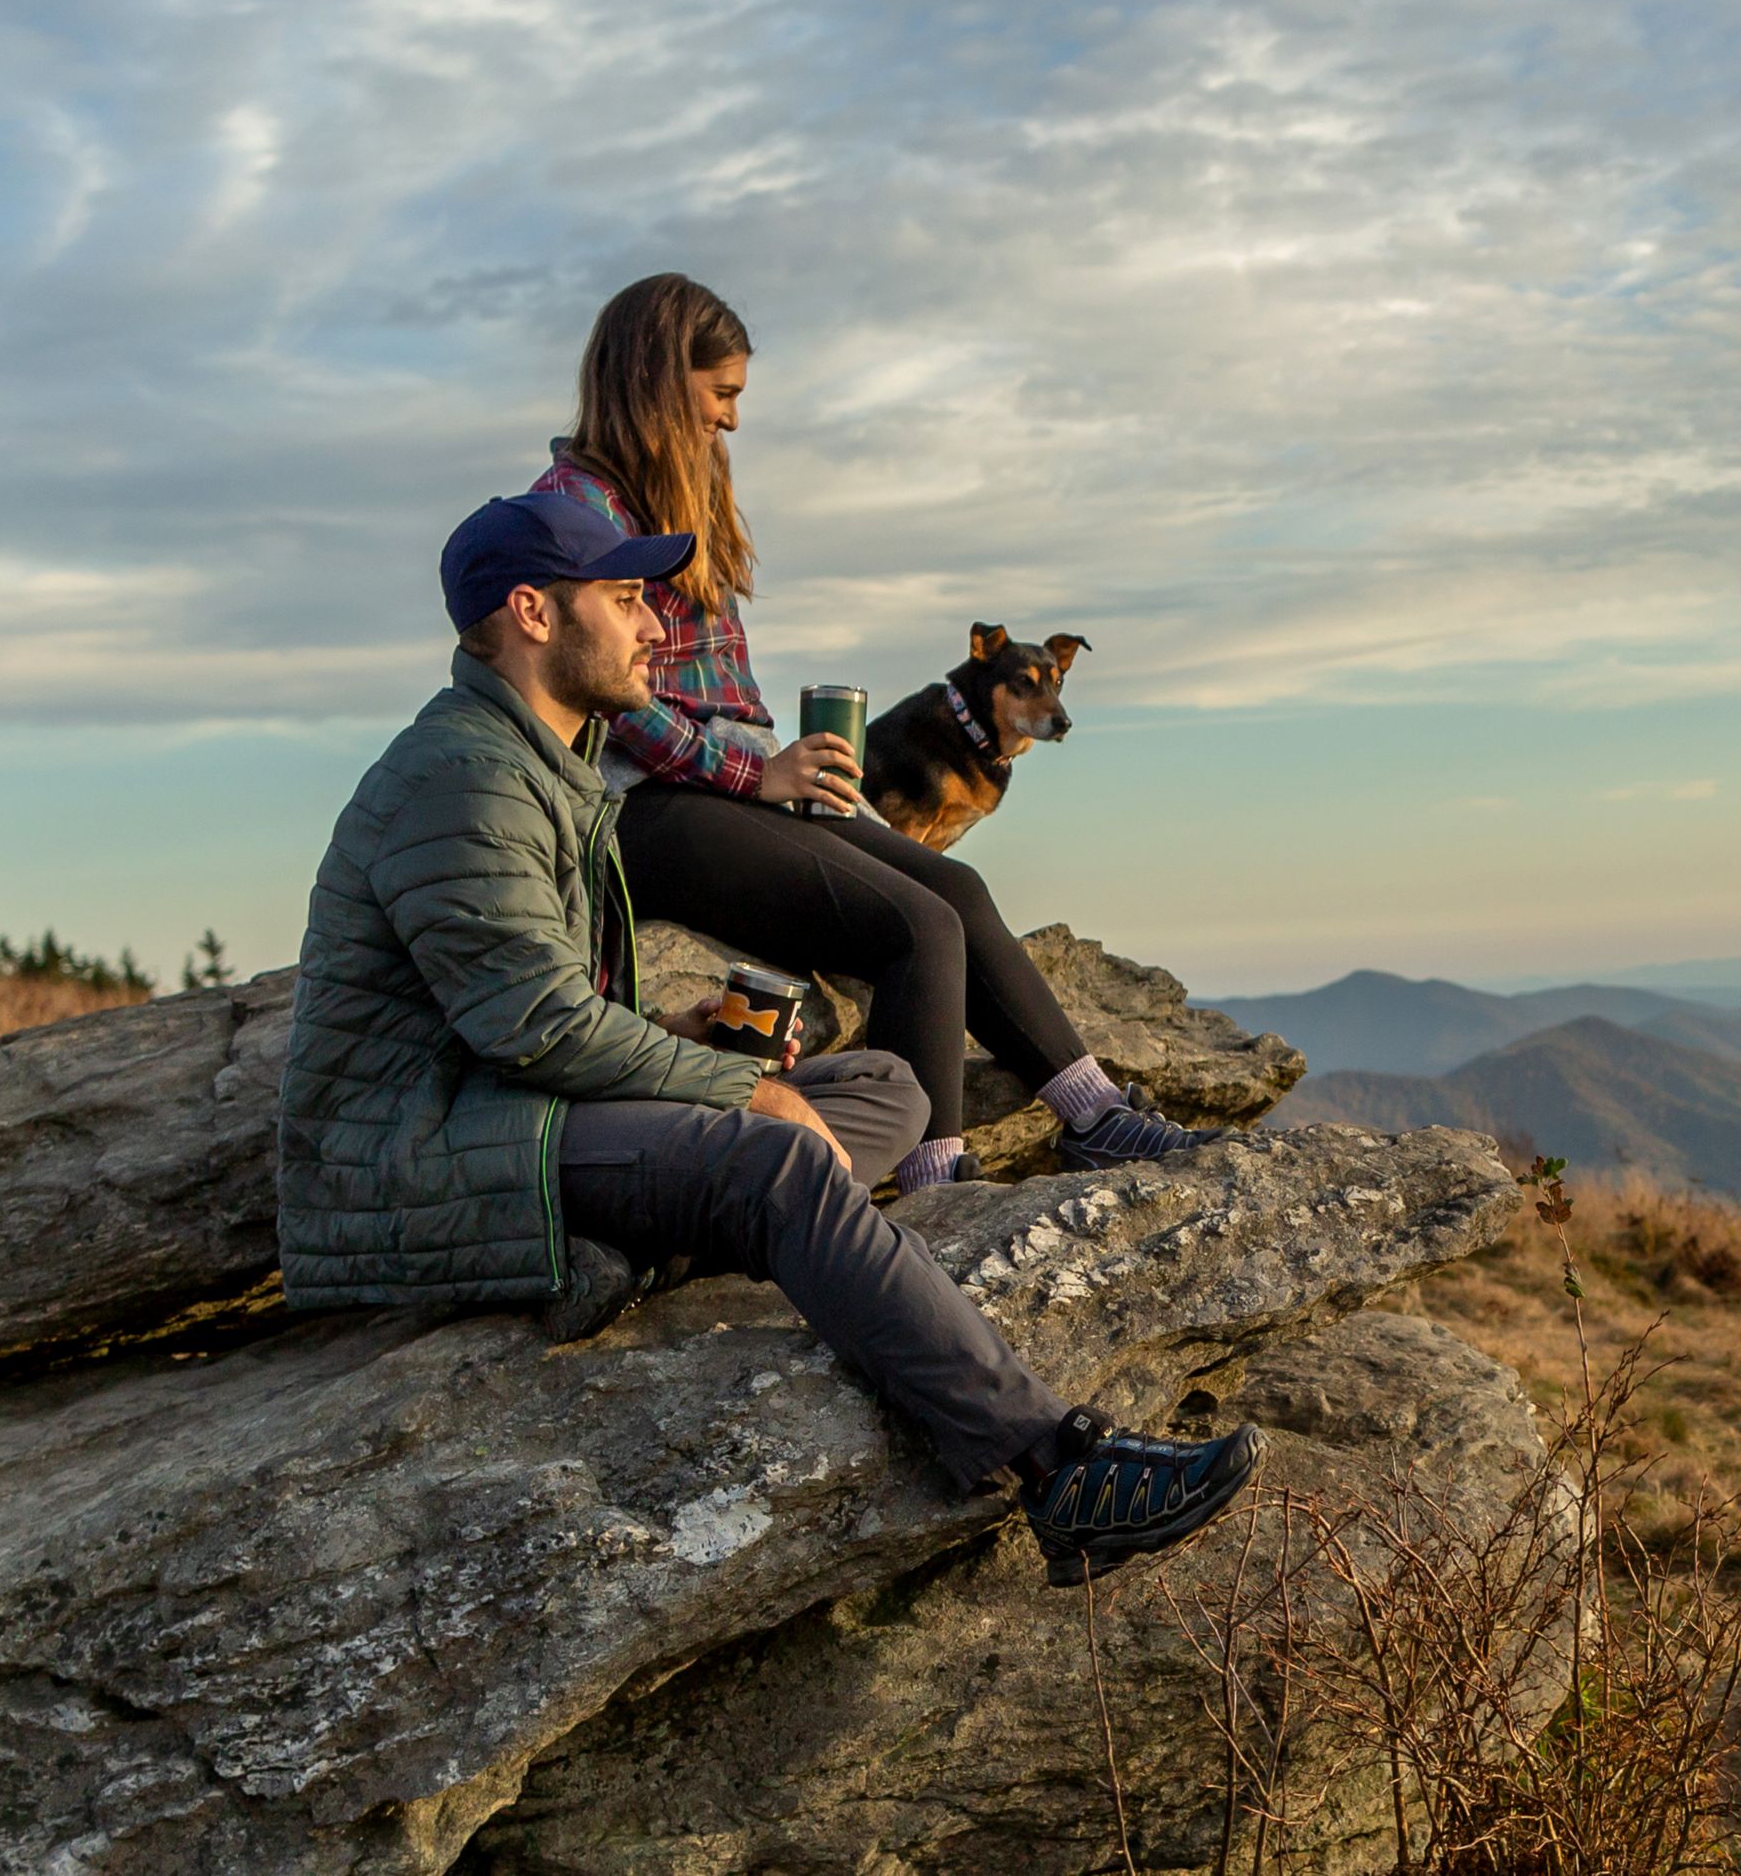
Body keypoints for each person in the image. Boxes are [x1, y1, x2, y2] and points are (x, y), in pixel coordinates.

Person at [275, 490, 1265, 1586]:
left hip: (523, 1108)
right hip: (432, 1151)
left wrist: (669, 1033)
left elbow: (526, 1005)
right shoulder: (462, 775)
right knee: (779, 1153)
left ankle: (664, 1244)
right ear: (532, 613)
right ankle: (1052, 1472)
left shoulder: (540, 763)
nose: (654, 625)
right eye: (622, 599)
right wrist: (737, 1095)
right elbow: (532, 1026)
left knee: (886, 1083)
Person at [529, 274, 1222, 1194]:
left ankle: (1096, 1117)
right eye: (722, 394)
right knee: (915, 926)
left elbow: (715, 686)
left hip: (735, 782)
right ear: (659, 379)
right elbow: (612, 697)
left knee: (959, 888)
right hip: (644, 807)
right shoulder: (575, 506)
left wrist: (788, 767)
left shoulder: (682, 487)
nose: (732, 421)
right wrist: (755, 772)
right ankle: (935, 1181)